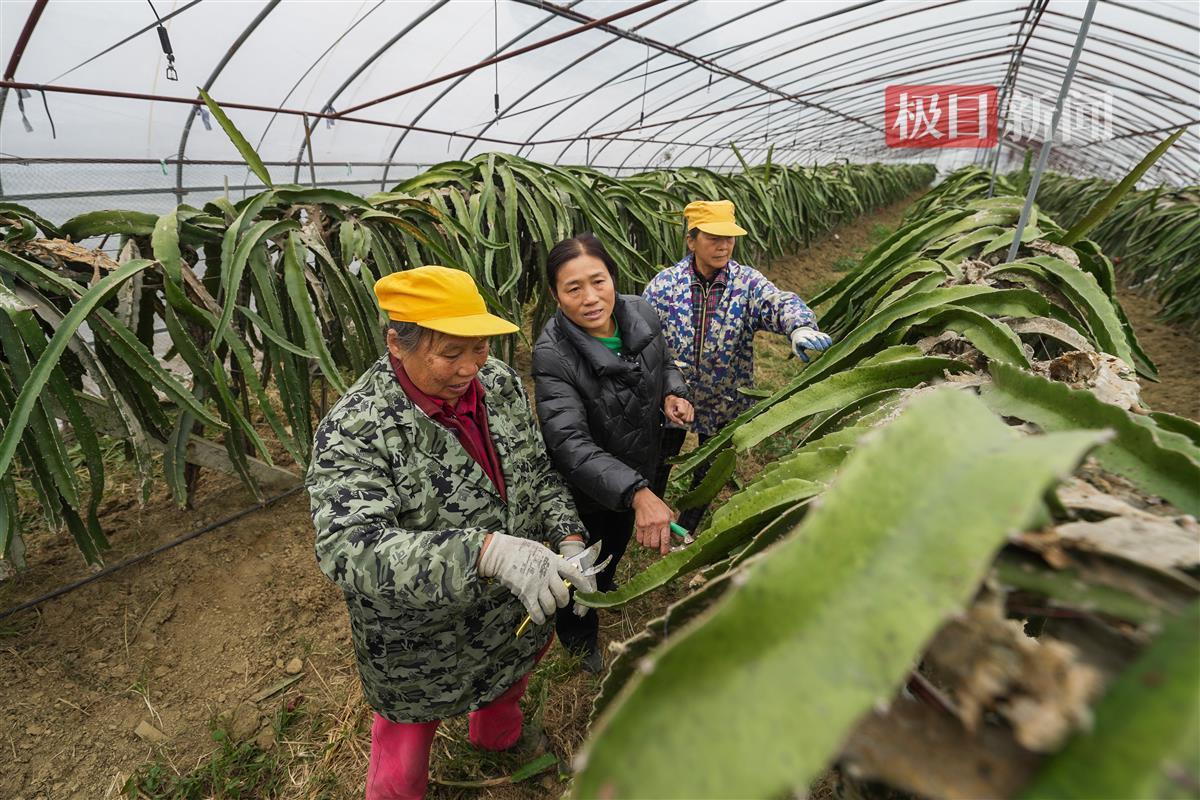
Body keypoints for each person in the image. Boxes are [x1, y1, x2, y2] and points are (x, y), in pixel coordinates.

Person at [306, 265, 594, 800]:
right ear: (397, 343)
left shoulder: (501, 385)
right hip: (420, 639)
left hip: (508, 610)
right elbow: (349, 548)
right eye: (449, 354)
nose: (469, 368)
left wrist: (569, 536)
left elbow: (536, 471)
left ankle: (498, 736)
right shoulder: (358, 427)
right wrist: (485, 552)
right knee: (405, 744)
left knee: (507, 682)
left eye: (479, 348)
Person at [532, 233, 693, 672]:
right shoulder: (553, 354)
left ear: (613, 279)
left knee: (615, 545)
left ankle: (601, 587)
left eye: (598, 281)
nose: (590, 298)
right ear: (555, 295)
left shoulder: (639, 311)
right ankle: (579, 637)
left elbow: (666, 362)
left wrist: (672, 393)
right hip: (589, 484)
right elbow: (570, 443)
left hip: (638, 463)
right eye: (573, 288)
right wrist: (638, 493)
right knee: (579, 563)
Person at [643, 199, 831, 532]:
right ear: (692, 240)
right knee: (658, 460)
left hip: (724, 398)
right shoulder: (664, 286)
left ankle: (688, 524)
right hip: (671, 398)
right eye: (713, 237)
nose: (723, 245)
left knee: (710, 468)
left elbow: (779, 302)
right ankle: (653, 517)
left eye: (729, 237)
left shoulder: (747, 284)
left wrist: (799, 324)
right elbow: (644, 336)